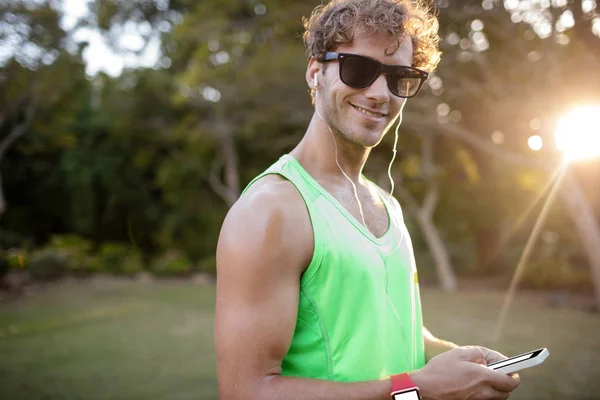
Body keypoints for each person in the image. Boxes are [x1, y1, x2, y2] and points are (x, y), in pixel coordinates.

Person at [214, 0, 521, 399]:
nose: (379, 94)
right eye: (358, 70)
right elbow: (245, 392)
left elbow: (387, 326)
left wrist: (463, 362)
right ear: (314, 72)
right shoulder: (272, 210)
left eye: (400, 78)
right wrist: (418, 392)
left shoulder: (385, 204)